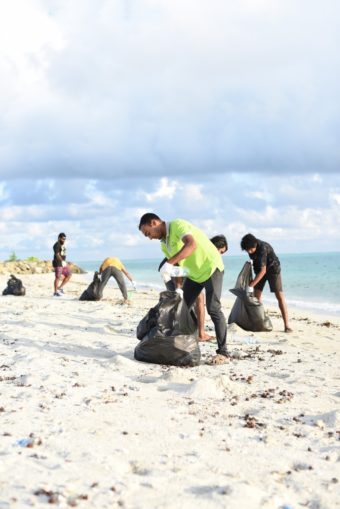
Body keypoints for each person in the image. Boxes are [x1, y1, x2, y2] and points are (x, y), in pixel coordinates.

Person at [139, 213, 229, 364]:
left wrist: (169, 263)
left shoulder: (177, 225)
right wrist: (179, 288)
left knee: (213, 308)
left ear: (154, 222)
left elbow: (191, 244)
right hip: (194, 275)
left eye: (148, 233)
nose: (149, 237)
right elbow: (178, 266)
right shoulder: (164, 244)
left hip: (211, 267)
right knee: (182, 307)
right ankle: (184, 345)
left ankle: (223, 352)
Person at [240, 233, 292, 332]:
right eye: (247, 250)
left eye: (250, 250)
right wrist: (252, 279)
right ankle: (260, 322)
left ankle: (287, 325)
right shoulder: (250, 247)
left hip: (273, 270)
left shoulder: (262, 247)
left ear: (255, 245)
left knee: (279, 296)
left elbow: (263, 270)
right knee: (257, 296)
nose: (249, 252)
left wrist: (251, 285)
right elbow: (255, 264)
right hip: (260, 270)